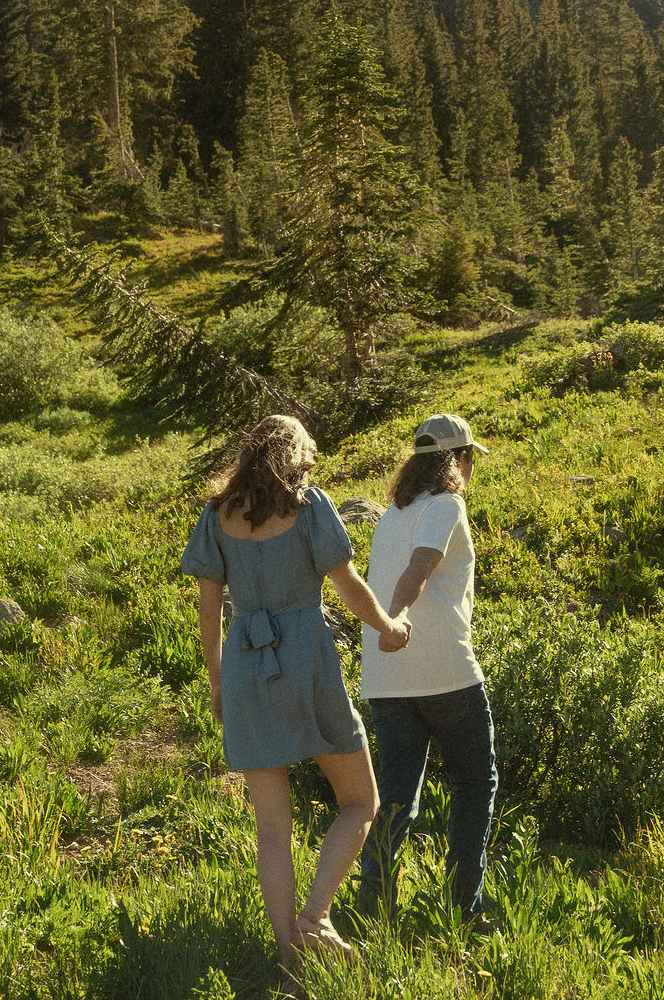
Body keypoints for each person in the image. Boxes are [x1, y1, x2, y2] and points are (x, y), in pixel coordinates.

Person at [182, 413, 412, 972]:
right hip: (307, 661)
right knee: (361, 801)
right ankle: (317, 917)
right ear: (297, 455)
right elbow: (349, 586)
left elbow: (209, 611)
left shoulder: (216, 516)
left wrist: (218, 683)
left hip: (244, 667)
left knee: (271, 828)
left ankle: (290, 962)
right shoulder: (310, 506)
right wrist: (389, 627)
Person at [355, 412, 499, 927]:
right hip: (443, 671)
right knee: (474, 782)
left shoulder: (393, 514)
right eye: (469, 458)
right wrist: (397, 618)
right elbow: (421, 564)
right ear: (457, 460)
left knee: (394, 798)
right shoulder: (447, 504)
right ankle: (464, 907)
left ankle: (373, 906)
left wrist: (386, 632)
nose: (471, 468)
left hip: (385, 677)